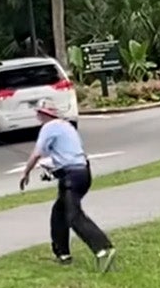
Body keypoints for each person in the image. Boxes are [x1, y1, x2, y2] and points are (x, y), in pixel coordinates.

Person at [19, 100, 116, 271]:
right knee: (59, 213)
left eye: (39, 113)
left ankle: (103, 249)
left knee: (73, 216)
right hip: (83, 174)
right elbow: (71, 156)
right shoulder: (67, 127)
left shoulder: (49, 127)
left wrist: (25, 173)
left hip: (72, 177)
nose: (37, 116)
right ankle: (63, 254)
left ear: (45, 114)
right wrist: (54, 172)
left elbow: (36, 154)